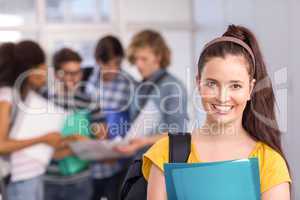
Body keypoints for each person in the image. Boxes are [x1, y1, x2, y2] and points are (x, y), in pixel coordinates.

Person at [142, 25, 291, 200]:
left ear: (250, 88)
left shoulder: (269, 162)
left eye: (235, 85)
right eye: (212, 84)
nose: (222, 97)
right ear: (199, 83)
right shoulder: (166, 152)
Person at [0, 41, 62, 200]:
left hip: (34, 174)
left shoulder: (25, 95)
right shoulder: (7, 96)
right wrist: (44, 138)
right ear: (27, 70)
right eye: (41, 67)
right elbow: (1, 145)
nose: (45, 72)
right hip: (19, 180)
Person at [42, 48, 106, 200]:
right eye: (69, 73)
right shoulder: (42, 99)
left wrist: (98, 137)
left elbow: (101, 139)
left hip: (80, 182)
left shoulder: (89, 101)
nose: (75, 78)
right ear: (57, 74)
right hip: (47, 181)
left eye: (78, 72)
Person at [115, 30, 189, 156]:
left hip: (160, 164)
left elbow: (178, 134)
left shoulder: (173, 87)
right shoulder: (140, 86)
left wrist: (144, 142)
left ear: (158, 57)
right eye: (136, 59)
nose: (138, 64)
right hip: (139, 162)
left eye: (144, 59)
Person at [85, 36, 136, 200]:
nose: (114, 69)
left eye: (118, 63)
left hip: (117, 164)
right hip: (88, 166)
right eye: (109, 64)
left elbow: (137, 124)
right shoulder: (86, 78)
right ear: (98, 61)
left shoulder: (129, 84)